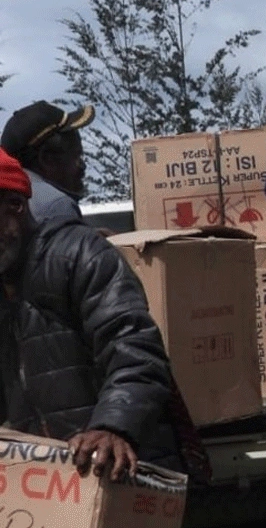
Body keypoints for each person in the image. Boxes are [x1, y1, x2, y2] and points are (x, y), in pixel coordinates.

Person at [0, 148, 188, 481]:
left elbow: (135, 351)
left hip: (115, 471)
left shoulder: (81, 255)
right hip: (48, 483)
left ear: (14, 206)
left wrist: (112, 426)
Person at [0, 101, 93, 224]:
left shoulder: (9, 202)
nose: (82, 166)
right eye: (76, 156)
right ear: (46, 159)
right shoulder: (56, 206)